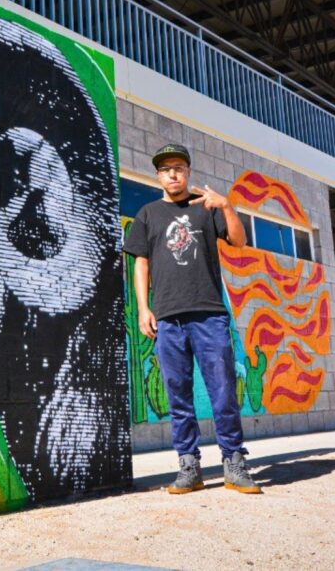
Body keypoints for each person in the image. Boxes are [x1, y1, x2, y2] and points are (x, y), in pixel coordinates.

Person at [122, 142, 261, 494]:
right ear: (158, 175)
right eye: (166, 168)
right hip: (168, 318)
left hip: (209, 315)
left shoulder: (205, 208)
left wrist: (227, 206)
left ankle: (234, 462)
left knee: (224, 391)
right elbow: (141, 262)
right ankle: (189, 466)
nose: (172, 173)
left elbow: (239, 241)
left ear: (188, 173)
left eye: (179, 168)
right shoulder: (148, 215)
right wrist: (143, 307)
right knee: (178, 395)